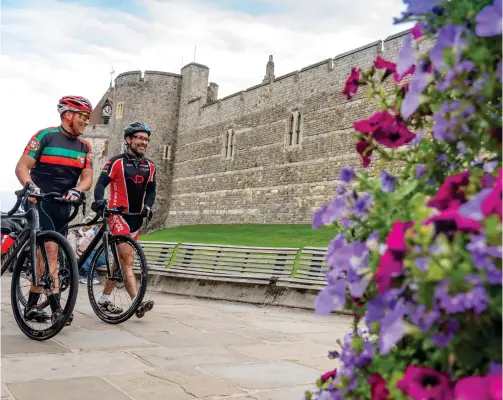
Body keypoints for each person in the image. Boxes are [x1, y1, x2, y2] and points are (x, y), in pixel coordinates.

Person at [14, 95, 94, 324]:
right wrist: (30, 185)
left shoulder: (85, 147)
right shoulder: (45, 136)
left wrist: (78, 190)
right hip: (39, 200)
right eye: (83, 116)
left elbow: (87, 177)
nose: (86, 121)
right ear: (68, 115)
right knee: (50, 251)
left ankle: (30, 306)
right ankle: (58, 308)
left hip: (62, 205)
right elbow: (22, 166)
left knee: (47, 253)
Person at [91, 121, 156, 318]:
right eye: (139, 138)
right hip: (118, 215)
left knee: (120, 262)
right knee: (127, 259)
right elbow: (101, 184)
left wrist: (148, 206)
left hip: (137, 219)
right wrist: (100, 202)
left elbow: (152, 189)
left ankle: (104, 299)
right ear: (128, 140)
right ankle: (137, 302)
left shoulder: (150, 166)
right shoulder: (116, 162)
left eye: (146, 139)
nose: (143, 142)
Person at [75, 216, 103, 285]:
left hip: (102, 256)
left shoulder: (103, 231)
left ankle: (93, 277)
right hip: (95, 253)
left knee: (86, 254)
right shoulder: (95, 229)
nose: (98, 221)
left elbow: (97, 246)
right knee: (79, 254)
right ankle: (84, 275)